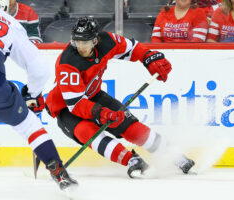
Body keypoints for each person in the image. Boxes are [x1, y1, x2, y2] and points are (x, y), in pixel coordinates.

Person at [46, 17, 195, 178]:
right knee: (89, 133)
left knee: (130, 127)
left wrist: (149, 57)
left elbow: (132, 48)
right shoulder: (67, 63)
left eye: (85, 42)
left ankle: (174, 155)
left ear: (96, 40)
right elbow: (75, 105)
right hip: (66, 108)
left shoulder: (107, 41)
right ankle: (132, 160)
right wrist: (101, 112)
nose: (81, 46)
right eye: (77, 41)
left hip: (93, 96)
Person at [0, 0, 77, 190]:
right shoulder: (11, 23)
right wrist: (32, 93)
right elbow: (39, 69)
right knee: (29, 126)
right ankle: (59, 173)